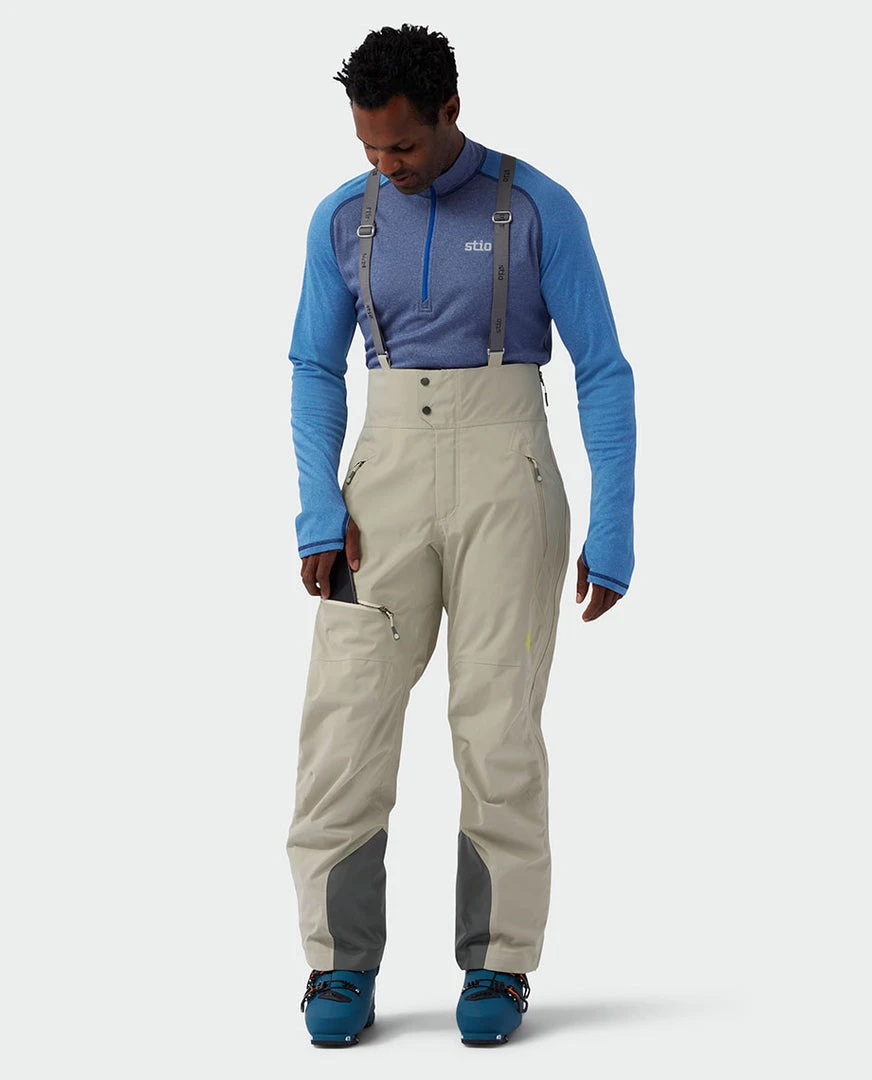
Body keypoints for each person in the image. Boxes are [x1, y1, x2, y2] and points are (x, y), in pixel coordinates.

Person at [285, 23, 636, 1048]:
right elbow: (312, 366)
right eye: (367, 148)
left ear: (449, 112)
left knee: (496, 725)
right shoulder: (342, 219)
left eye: (401, 145)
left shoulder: (536, 207)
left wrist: (613, 521)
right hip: (382, 480)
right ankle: (337, 962)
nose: (385, 165)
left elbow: (602, 369)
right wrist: (318, 507)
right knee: (344, 723)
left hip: (505, 475)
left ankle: (498, 960)